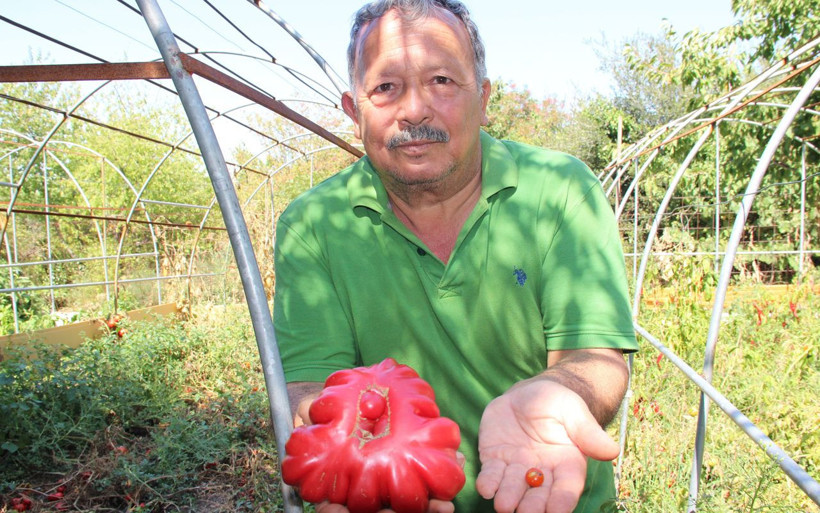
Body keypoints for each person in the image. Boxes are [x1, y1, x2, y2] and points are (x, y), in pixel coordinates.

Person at [273, 0, 638, 511]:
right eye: (385, 87)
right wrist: (353, 456)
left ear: (484, 98)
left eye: (442, 80)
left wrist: (561, 392)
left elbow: (596, 357)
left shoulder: (560, 190)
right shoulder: (313, 225)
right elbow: (308, 382)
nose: (414, 109)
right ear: (354, 113)